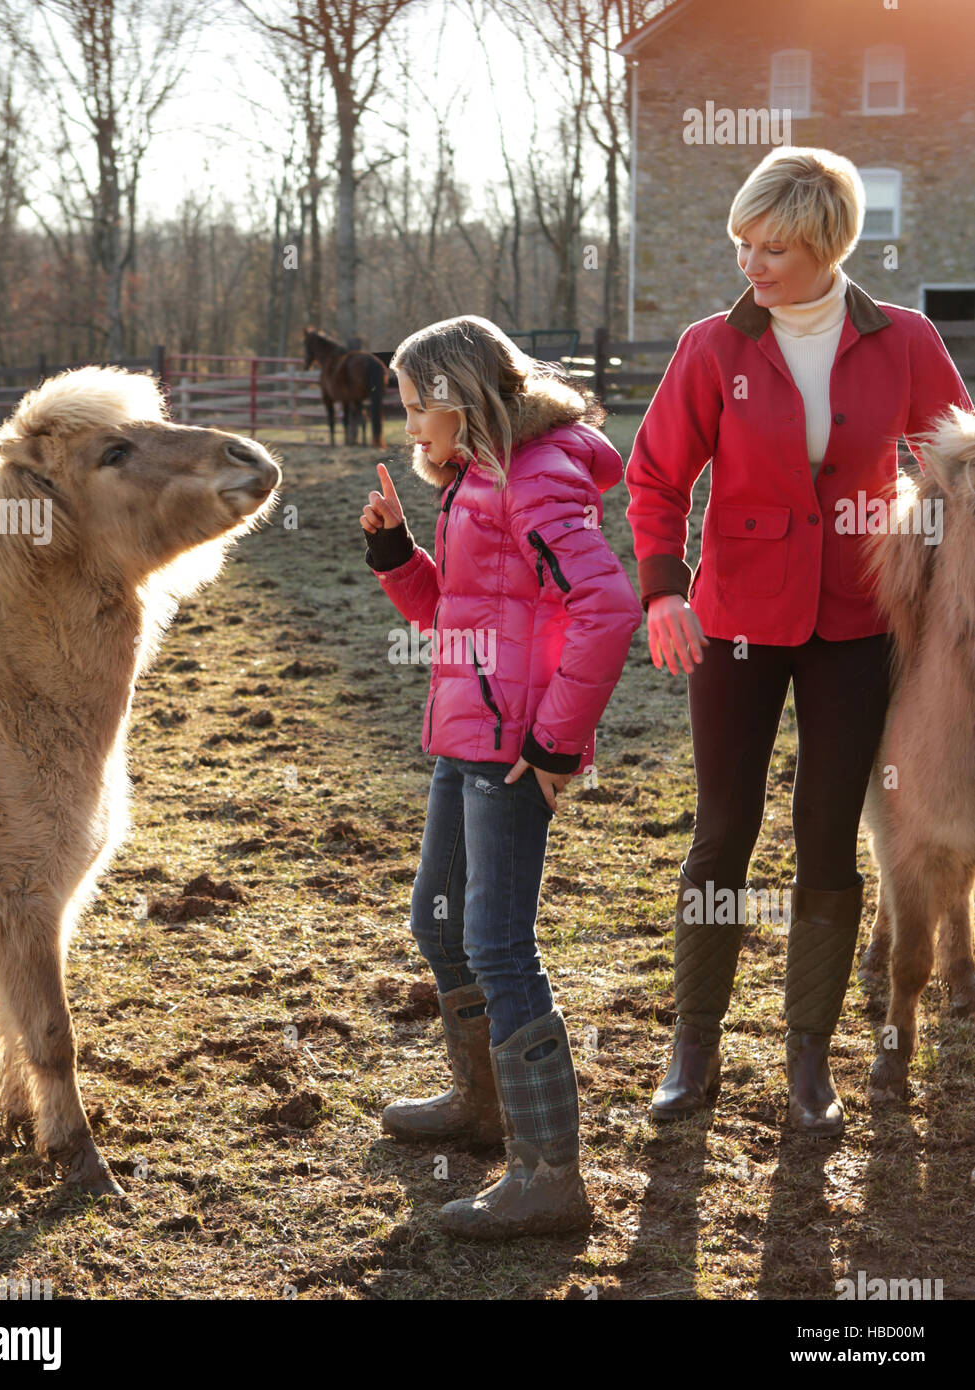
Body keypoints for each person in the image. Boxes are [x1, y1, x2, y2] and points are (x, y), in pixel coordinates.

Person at [624, 146, 973, 1135]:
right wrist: (663, 592)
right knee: (721, 832)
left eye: (772, 246)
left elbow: (954, 464)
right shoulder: (711, 348)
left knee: (827, 833)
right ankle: (694, 1046)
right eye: (743, 241)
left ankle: (809, 1057)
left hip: (859, 628)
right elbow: (655, 476)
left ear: (825, 246)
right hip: (735, 622)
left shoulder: (903, 341)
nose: (752, 262)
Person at [360, 315, 642, 1238]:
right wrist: (401, 556)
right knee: (435, 921)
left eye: (413, 408)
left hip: (514, 748)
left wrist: (557, 744)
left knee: (497, 945)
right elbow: (460, 616)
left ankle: (548, 1177)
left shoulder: (536, 477)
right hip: (464, 734)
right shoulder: (477, 478)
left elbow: (605, 607)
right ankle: (482, 1107)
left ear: (457, 399)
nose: (407, 428)